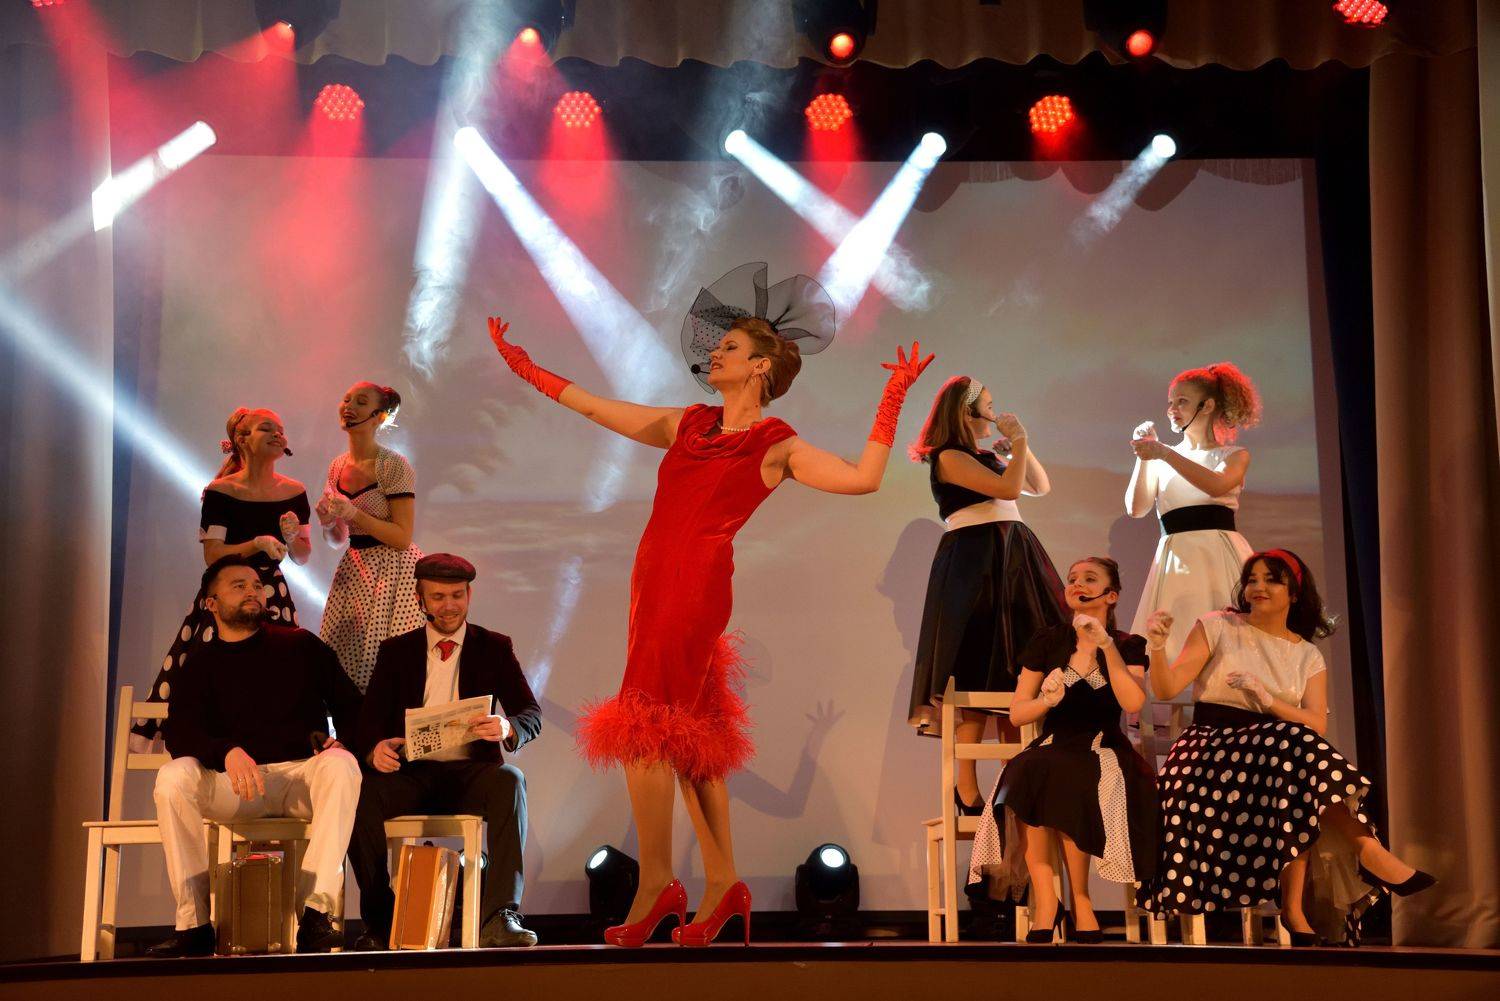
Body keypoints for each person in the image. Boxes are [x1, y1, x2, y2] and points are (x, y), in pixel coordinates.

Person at [486, 303, 932, 947]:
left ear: (760, 366)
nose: (714, 354)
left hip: (691, 586)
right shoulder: (686, 423)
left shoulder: (775, 444)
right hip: (651, 583)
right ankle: (723, 883)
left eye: (729, 348)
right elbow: (595, 408)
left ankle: (656, 883)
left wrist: (893, 395)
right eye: (717, 347)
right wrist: (525, 367)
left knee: (644, 724)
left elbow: (863, 479)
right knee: (695, 739)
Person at [1138, 550, 1435, 944]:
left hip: (1275, 763)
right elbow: (1165, 689)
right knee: (1294, 748)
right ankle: (1367, 850)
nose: (1258, 587)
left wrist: (1268, 700)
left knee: (1295, 762)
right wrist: (1158, 647)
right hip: (1210, 754)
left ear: (1294, 593)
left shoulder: (1306, 654)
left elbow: (1316, 723)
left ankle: (1296, 907)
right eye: (1252, 579)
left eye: (1271, 579)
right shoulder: (1218, 625)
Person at [146, 555, 362, 957]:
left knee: (341, 765)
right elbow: (180, 733)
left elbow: (352, 706)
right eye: (239, 585)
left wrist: (345, 741)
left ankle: (316, 915)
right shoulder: (201, 663)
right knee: (174, 777)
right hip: (235, 787)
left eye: (257, 586)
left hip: (298, 778)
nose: (253, 592)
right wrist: (226, 751)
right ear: (211, 603)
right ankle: (194, 925)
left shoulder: (299, 645)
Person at [349, 553, 543, 950]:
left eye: (457, 595)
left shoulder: (494, 647)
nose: (449, 605)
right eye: (438, 597)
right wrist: (374, 750)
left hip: (470, 773)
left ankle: (499, 917)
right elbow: (367, 724)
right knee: (360, 791)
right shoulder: (396, 651)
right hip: (412, 775)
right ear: (419, 598)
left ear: (469, 595)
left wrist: (508, 727)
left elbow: (530, 713)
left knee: (511, 780)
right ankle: (381, 921)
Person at [967, 557, 1156, 943]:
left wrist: (1106, 647)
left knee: (1070, 774)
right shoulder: (1048, 641)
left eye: (1090, 578)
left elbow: (1133, 702)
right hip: (1054, 744)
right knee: (1028, 769)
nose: (1077, 584)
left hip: (1103, 747)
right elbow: (1018, 713)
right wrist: (1046, 701)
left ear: (1111, 595)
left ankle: (1081, 900)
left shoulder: (1128, 645)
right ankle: (1048, 900)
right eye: (1072, 579)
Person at [906, 375, 1067, 814]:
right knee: (976, 665)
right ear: (966, 410)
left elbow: (1039, 485)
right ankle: (967, 787)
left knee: (1015, 666)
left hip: (1011, 555)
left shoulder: (984, 456)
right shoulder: (949, 456)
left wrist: (1018, 449)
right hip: (978, 560)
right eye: (989, 406)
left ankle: (1015, 781)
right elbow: (1008, 489)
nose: (994, 413)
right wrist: (1019, 442)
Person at [133, 408, 311, 746]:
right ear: (242, 440)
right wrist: (257, 543)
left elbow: (302, 556)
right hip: (227, 589)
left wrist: (291, 538)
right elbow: (213, 554)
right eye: (266, 428)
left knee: (277, 667)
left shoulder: (294, 491)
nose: (278, 434)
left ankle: (274, 742)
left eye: (281, 429)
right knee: (209, 663)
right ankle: (205, 741)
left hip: (271, 594)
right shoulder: (220, 491)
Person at [1125, 362, 1261, 660]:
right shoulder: (1162, 457)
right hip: (1176, 559)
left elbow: (1216, 485)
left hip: (1217, 555)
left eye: (1182, 401)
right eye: (1170, 402)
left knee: (1229, 640)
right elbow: (1136, 508)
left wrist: (1163, 452)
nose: (1172, 409)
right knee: (1175, 641)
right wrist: (1145, 456)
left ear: (1207, 405)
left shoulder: (1233, 455)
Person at [317, 382, 425, 691]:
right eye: (347, 399)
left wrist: (355, 514)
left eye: (361, 402)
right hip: (355, 568)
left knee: (382, 665)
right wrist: (328, 522)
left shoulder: (393, 465)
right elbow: (338, 538)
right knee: (339, 664)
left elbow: (402, 537)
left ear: (379, 416)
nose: (349, 407)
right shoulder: (337, 466)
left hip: (393, 572)